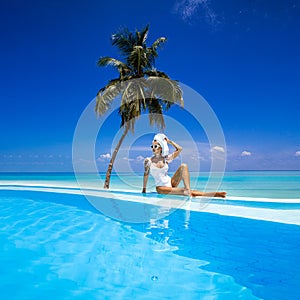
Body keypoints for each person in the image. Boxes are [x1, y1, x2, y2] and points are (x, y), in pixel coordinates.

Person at [142, 133, 226, 198]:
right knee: (184, 191)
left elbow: (179, 149)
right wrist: (144, 189)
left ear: (161, 148)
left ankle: (188, 190)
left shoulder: (166, 159)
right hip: (161, 188)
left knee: (184, 166)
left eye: (155, 146)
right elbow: (146, 174)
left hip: (171, 182)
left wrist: (169, 142)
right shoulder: (148, 161)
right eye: (152, 146)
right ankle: (211, 194)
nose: (153, 148)